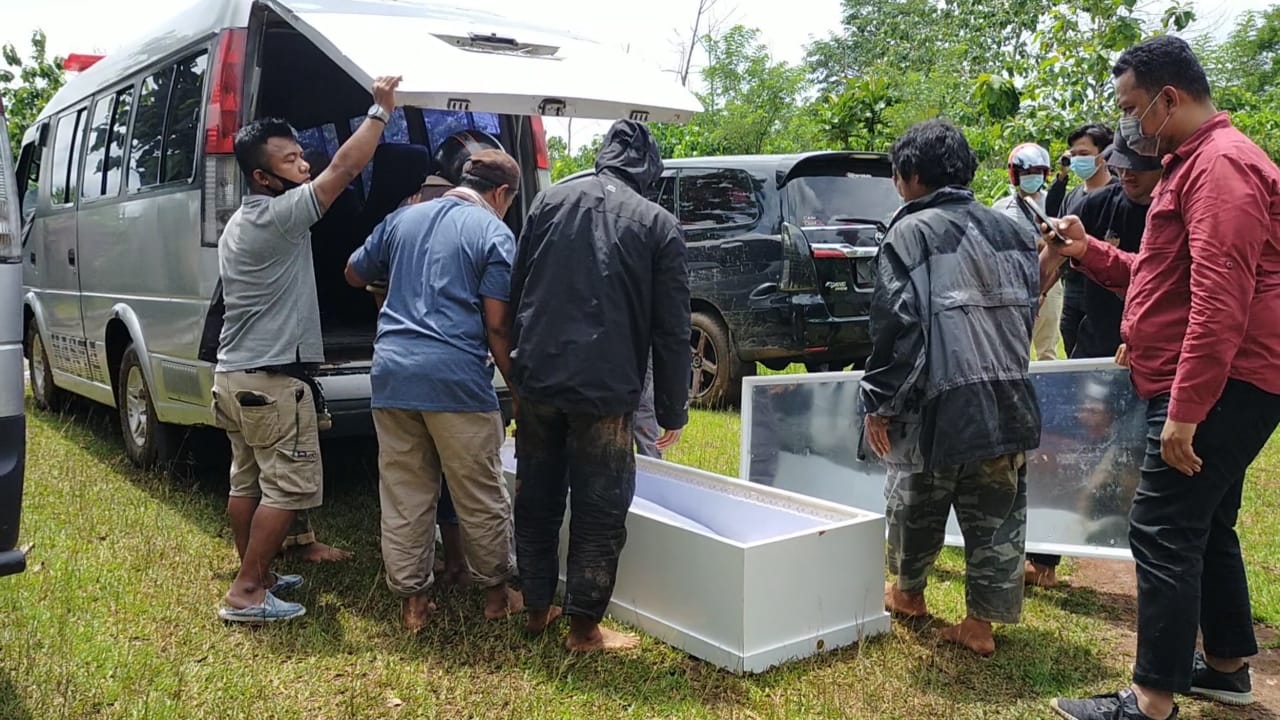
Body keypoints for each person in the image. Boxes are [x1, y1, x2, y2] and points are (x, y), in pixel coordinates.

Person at [1048, 35, 1280, 720]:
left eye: (1130, 108)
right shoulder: (1193, 164)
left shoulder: (1222, 166)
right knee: (1206, 522)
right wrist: (1090, 252)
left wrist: (1186, 410)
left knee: (1161, 526)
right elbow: (1160, 278)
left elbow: (1220, 300)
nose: (1126, 123)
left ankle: (1150, 701)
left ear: (1167, 99)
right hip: (1209, 376)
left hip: (1220, 380)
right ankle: (1228, 666)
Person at [211, 75, 402, 623]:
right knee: (287, 488)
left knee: (247, 480)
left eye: (302, 155)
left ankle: (258, 574)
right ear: (262, 177)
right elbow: (344, 170)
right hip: (272, 381)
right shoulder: (281, 215)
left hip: (234, 376)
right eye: (291, 160)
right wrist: (380, 113)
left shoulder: (241, 220)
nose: (304, 165)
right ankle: (248, 591)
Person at [510, 119, 690, 653]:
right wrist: (672, 410)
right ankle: (584, 630)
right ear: (649, 171)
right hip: (605, 391)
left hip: (538, 378)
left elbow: (518, 289)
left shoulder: (548, 203)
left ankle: (537, 609)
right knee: (600, 509)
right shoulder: (658, 225)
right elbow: (672, 330)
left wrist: (520, 366)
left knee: (536, 496)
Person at [863, 119, 1042, 657]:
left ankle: (908, 593)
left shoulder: (910, 233)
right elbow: (1026, 314)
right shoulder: (1014, 230)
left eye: (897, 175)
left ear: (912, 176)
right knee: (997, 515)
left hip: (937, 400)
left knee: (915, 499)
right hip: (1008, 396)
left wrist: (880, 404)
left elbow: (898, 328)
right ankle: (980, 625)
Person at [344, 149, 525, 631]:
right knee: (479, 491)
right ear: (501, 194)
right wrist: (520, 392)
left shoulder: (403, 218)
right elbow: (497, 325)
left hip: (392, 375)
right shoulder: (493, 233)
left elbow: (353, 272)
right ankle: (497, 596)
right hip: (455, 381)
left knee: (405, 492)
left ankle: (414, 604)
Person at [1024, 128, 1162, 588]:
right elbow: (1056, 257)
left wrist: (1139, 335)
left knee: (1138, 460)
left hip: (1153, 358)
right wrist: (1031, 299)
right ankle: (1042, 558)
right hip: (1098, 349)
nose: (1128, 174)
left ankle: (1154, 568)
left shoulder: (1175, 211)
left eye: (1138, 166)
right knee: (1068, 449)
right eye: (1122, 165)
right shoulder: (1098, 205)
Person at [1046, 123, 1117, 357]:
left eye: (1084, 154)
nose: (1077, 160)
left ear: (1103, 156)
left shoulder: (1118, 194)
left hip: (1107, 294)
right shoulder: (1072, 197)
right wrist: (1042, 290)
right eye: (1073, 154)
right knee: (1072, 354)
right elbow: (1059, 248)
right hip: (1073, 290)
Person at [994, 142, 1062, 361]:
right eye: (1026, 172)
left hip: (1050, 281)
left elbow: (1063, 252)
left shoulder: (1056, 203)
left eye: (1037, 172)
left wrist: (1043, 291)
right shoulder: (1000, 209)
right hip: (1014, 281)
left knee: (1047, 349)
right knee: (1011, 346)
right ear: (1015, 175)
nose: (1032, 176)